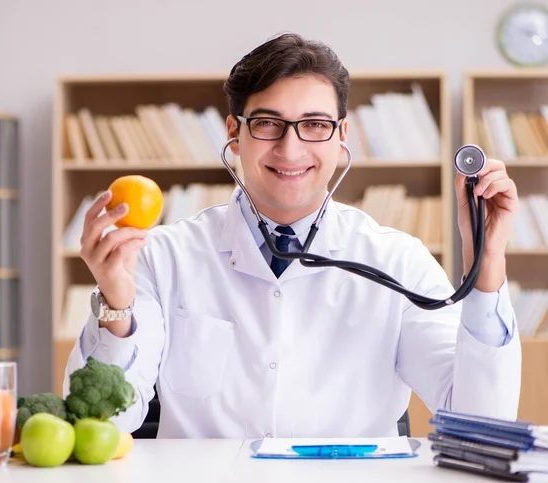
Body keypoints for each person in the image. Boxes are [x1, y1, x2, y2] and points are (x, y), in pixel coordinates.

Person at [63, 32, 521, 439]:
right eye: (267, 123)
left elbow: (481, 422)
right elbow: (101, 426)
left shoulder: (398, 260)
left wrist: (487, 263)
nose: (291, 148)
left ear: (341, 137)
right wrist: (116, 304)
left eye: (315, 125)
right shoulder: (162, 256)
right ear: (234, 133)